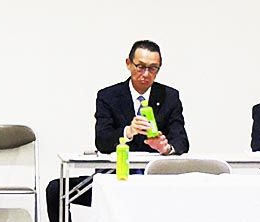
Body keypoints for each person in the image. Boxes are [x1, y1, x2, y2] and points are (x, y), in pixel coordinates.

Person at [46, 40, 189, 222]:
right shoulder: (108, 96)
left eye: (153, 68)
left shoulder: (169, 96)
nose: (146, 74)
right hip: (115, 176)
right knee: (56, 190)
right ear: (128, 64)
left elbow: (182, 141)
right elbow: (102, 141)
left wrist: (165, 148)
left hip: (154, 179)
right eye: (140, 67)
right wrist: (128, 131)